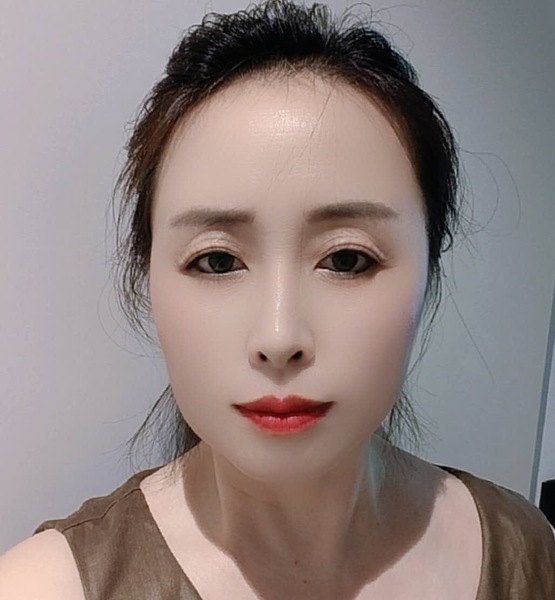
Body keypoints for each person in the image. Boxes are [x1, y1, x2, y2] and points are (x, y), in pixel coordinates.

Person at [1, 1, 553, 598]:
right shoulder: (42, 587)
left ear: (430, 267)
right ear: (148, 277)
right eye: (217, 261)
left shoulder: (526, 550)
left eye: (347, 259)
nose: (279, 337)